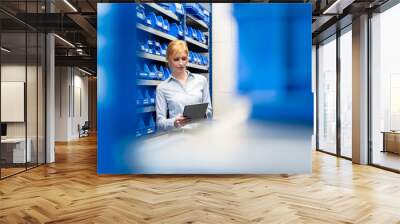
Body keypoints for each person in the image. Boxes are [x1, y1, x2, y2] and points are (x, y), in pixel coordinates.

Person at [156, 40, 212, 131]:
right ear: (168, 60)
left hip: (200, 136)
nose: (181, 63)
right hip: (178, 139)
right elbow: (160, 123)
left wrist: (203, 115)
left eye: (184, 58)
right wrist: (174, 122)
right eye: (176, 59)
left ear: (188, 59)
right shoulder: (162, 88)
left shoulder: (201, 80)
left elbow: (209, 111)